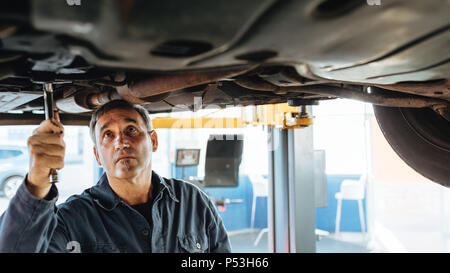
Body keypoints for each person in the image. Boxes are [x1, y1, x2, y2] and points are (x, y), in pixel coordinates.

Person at [0, 99, 231, 253]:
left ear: (153, 141)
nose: (120, 142)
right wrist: (37, 182)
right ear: (98, 156)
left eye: (131, 129)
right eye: (108, 135)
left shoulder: (193, 202)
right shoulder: (74, 219)